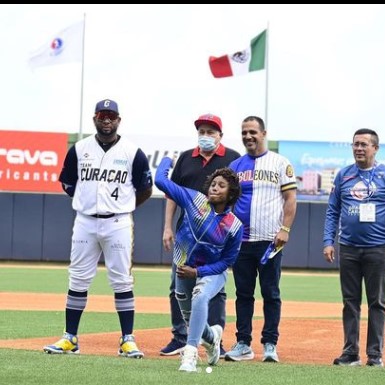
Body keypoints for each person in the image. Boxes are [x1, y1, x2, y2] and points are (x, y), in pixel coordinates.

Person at [44, 99, 153, 358]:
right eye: (102, 115)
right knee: (78, 277)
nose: (107, 120)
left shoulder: (132, 151)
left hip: (118, 221)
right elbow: (68, 183)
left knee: (121, 279)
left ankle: (127, 338)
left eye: (111, 115)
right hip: (85, 220)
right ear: (94, 118)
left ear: (119, 120)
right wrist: (87, 201)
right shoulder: (80, 149)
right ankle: (70, 337)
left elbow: (145, 189)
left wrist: (123, 206)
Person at [160, 113, 240, 357]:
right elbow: (171, 194)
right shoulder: (186, 157)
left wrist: (229, 229)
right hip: (188, 234)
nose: (205, 136)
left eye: (210, 132)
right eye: (201, 131)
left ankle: (216, 340)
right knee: (178, 287)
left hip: (218, 235)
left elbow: (236, 194)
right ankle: (180, 337)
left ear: (220, 136)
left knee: (213, 290)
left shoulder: (232, 158)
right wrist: (167, 226)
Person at [323, 128, 385, 367]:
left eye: (364, 144)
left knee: (376, 302)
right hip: (348, 246)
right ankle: (350, 353)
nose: (359, 148)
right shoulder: (344, 175)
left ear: (375, 148)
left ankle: (375, 355)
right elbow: (332, 211)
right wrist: (328, 241)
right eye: (355, 144)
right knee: (350, 302)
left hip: (378, 247)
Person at [224, 115, 297, 363]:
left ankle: (270, 344)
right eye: (244, 132)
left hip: (270, 241)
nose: (248, 136)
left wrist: (285, 229)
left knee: (271, 293)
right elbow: (226, 202)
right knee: (243, 294)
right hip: (241, 241)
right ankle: (243, 343)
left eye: (253, 132)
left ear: (264, 133)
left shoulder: (280, 163)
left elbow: (290, 199)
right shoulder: (235, 167)